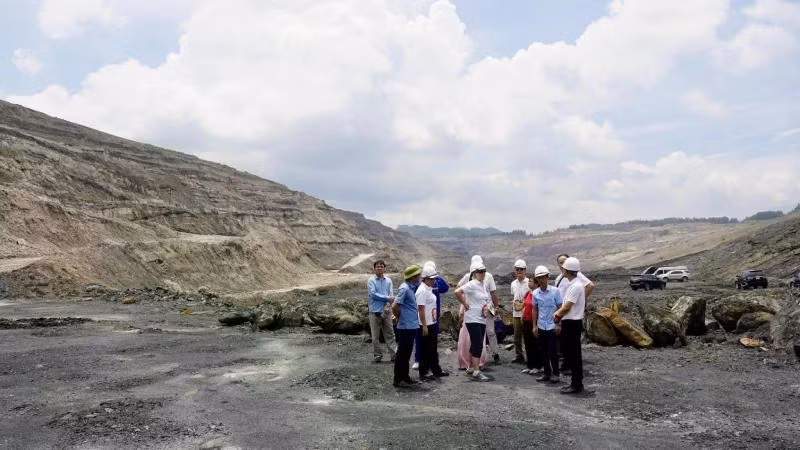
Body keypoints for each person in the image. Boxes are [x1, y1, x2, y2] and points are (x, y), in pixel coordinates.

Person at [554, 253, 594, 373]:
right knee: (565, 343)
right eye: (560, 263)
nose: (563, 265)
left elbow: (590, 285)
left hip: (571, 316)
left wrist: (580, 300)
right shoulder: (561, 279)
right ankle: (568, 366)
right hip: (565, 315)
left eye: (564, 263)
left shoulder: (576, 282)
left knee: (573, 347)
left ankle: (575, 377)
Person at [457, 255, 501, 364]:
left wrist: (463, 304)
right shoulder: (468, 277)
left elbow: (492, 292)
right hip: (476, 308)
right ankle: (483, 357)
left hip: (485, 307)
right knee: (485, 333)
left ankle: (488, 355)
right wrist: (496, 306)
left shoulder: (488, 277)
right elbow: (493, 293)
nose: (482, 273)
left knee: (482, 333)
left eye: (483, 271)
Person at [553, 257, 586, 394]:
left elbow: (567, 307)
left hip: (572, 323)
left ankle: (576, 384)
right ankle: (575, 382)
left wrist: (556, 315)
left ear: (568, 270)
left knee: (573, 354)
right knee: (572, 353)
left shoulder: (576, 286)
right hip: (571, 322)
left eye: (564, 268)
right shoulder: (574, 284)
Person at [455, 260, 492, 381]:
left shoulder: (483, 285)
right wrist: (464, 303)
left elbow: (484, 299)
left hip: (481, 318)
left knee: (477, 342)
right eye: (480, 272)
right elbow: (457, 291)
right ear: (475, 273)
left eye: (483, 271)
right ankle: (476, 371)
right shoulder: (473, 284)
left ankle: (471, 366)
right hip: (472, 318)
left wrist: (486, 308)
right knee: (477, 343)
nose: (482, 273)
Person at [413, 261, 449, 369]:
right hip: (423, 317)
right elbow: (419, 305)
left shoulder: (435, 284)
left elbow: (446, 288)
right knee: (421, 340)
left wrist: (437, 277)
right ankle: (418, 360)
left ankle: (431, 365)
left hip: (434, 316)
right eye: (432, 277)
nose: (434, 280)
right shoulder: (421, 287)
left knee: (432, 342)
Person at [531, 265, 562, 383]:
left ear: (547, 277)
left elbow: (560, 308)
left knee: (553, 351)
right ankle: (547, 373)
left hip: (552, 326)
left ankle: (556, 374)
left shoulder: (555, 291)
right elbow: (535, 310)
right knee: (543, 351)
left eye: (543, 277)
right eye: (539, 278)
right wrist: (534, 326)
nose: (541, 280)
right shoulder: (535, 293)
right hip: (541, 325)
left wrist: (559, 324)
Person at [393, 264, 422, 387]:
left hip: (411, 326)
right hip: (405, 326)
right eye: (418, 275)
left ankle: (405, 376)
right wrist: (399, 317)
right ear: (414, 276)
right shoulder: (404, 288)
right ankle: (398, 379)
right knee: (402, 354)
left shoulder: (411, 288)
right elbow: (395, 306)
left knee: (407, 353)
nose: (420, 277)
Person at [367, 260, 396, 363]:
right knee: (375, 336)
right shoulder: (371, 281)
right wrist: (387, 299)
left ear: (385, 268)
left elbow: (391, 295)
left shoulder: (388, 281)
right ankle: (378, 356)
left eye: (381, 266)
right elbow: (373, 294)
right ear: (374, 268)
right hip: (375, 312)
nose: (379, 268)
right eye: (377, 266)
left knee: (390, 334)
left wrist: (388, 305)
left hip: (387, 311)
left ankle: (394, 355)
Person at [510, 259, 529, 364]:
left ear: (525, 270)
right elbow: (514, 296)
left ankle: (530, 355)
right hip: (516, 313)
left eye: (521, 269)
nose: (519, 271)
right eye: (517, 269)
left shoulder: (529, 283)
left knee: (527, 335)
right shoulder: (513, 284)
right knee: (517, 336)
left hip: (526, 314)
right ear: (515, 270)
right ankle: (519, 355)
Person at [520, 277, 539, 375]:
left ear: (536, 284)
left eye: (531, 281)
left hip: (533, 321)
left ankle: (537, 366)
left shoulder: (538, 294)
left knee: (534, 344)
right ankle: (529, 365)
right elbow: (524, 305)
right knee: (527, 343)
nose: (529, 282)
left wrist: (535, 324)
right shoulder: (528, 293)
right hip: (526, 321)